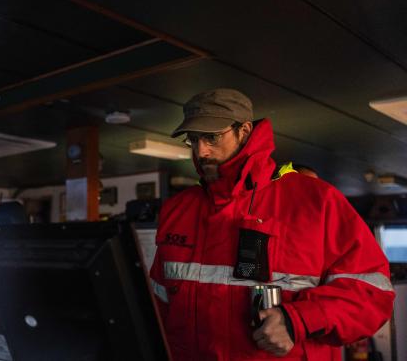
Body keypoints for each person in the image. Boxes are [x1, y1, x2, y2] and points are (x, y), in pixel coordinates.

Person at [149, 88, 394, 360]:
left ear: (243, 131)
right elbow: (158, 306)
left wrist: (297, 320)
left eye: (212, 137)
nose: (201, 151)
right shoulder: (177, 209)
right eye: (193, 140)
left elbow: (373, 295)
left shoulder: (317, 201)